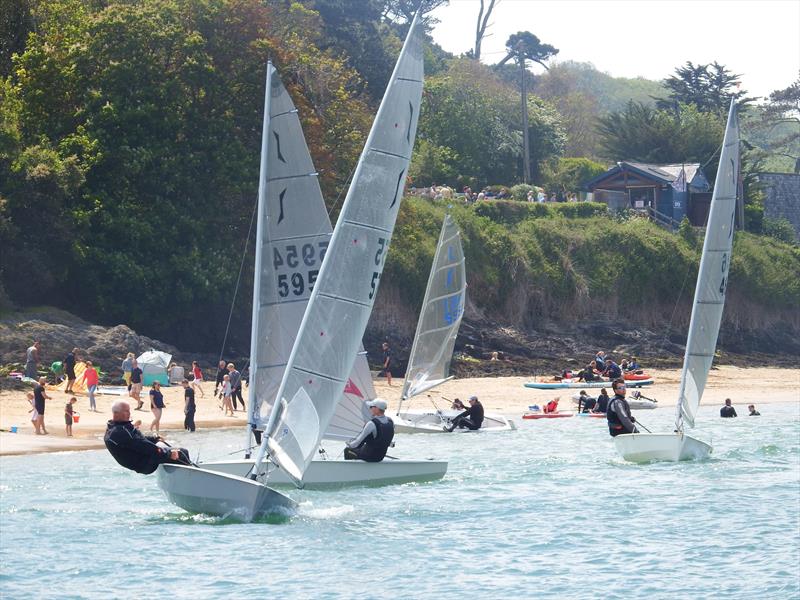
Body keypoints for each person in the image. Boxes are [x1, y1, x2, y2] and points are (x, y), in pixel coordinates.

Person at [104, 400, 191, 474]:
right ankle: (190, 478)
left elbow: (138, 439)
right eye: (126, 411)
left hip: (143, 458)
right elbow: (143, 445)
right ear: (116, 413)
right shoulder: (119, 432)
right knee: (182, 452)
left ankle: (183, 472)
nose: (129, 413)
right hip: (144, 464)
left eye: (129, 410)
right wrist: (168, 454)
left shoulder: (116, 426)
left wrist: (155, 438)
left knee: (163, 444)